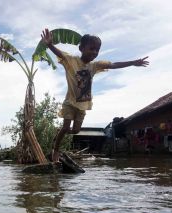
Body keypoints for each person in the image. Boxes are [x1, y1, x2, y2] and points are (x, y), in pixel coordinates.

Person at [41, 28, 149, 162]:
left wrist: (133, 63)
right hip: (69, 102)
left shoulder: (95, 66)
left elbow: (114, 64)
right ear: (81, 48)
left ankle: (60, 133)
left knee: (75, 131)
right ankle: (55, 150)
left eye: (97, 50)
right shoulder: (71, 60)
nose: (94, 52)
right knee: (66, 126)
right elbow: (60, 53)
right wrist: (49, 44)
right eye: (91, 48)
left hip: (83, 105)